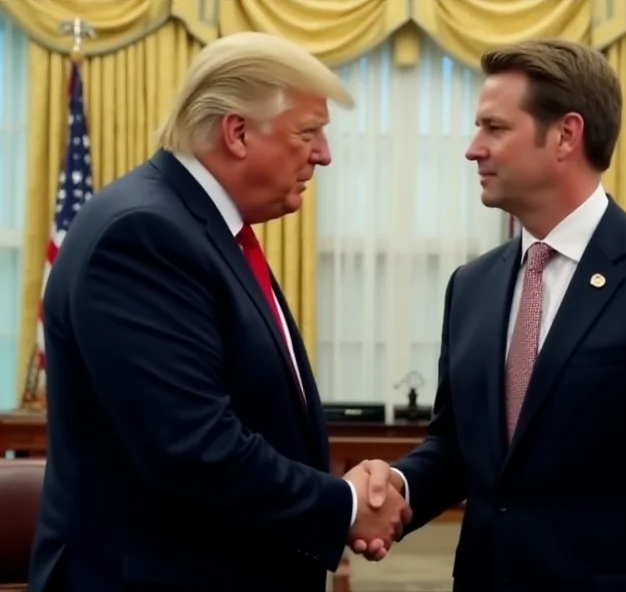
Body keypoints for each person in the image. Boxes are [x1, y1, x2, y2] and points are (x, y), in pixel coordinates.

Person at [350, 39, 626, 591]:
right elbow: (459, 449)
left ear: (565, 135)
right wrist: (396, 488)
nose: (472, 148)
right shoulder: (471, 287)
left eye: (494, 128)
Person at [28, 32, 409, 592]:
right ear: (237, 132)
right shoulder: (144, 235)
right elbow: (194, 450)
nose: (324, 153)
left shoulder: (200, 229)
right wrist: (345, 505)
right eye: (308, 132)